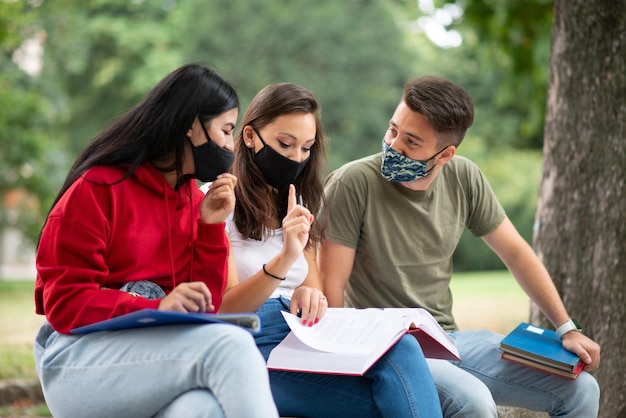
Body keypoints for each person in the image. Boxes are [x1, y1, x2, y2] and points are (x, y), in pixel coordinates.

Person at [318, 75, 601, 417]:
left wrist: (565, 328)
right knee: (473, 401)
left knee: (581, 390)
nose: (393, 146)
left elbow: (516, 253)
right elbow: (330, 285)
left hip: (448, 339)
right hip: (386, 347)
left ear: (445, 154)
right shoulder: (353, 183)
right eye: (393, 130)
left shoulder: (464, 177)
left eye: (411, 141)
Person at [34, 63, 279, 418]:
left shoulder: (195, 202)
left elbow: (206, 307)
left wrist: (210, 226)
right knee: (232, 345)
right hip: (76, 358)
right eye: (226, 131)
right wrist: (155, 308)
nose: (230, 146)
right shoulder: (98, 188)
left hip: (153, 358)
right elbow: (65, 303)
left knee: (202, 409)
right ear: (193, 126)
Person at [210, 82, 443, 418]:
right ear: (249, 137)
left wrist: (309, 296)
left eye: (306, 148)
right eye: (285, 144)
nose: (296, 158)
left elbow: (314, 292)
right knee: (385, 406)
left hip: (302, 335)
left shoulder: (299, 202)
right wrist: (285, 258)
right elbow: (226, 310)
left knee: (402, 346)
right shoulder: (220, 203)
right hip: (251, 344)